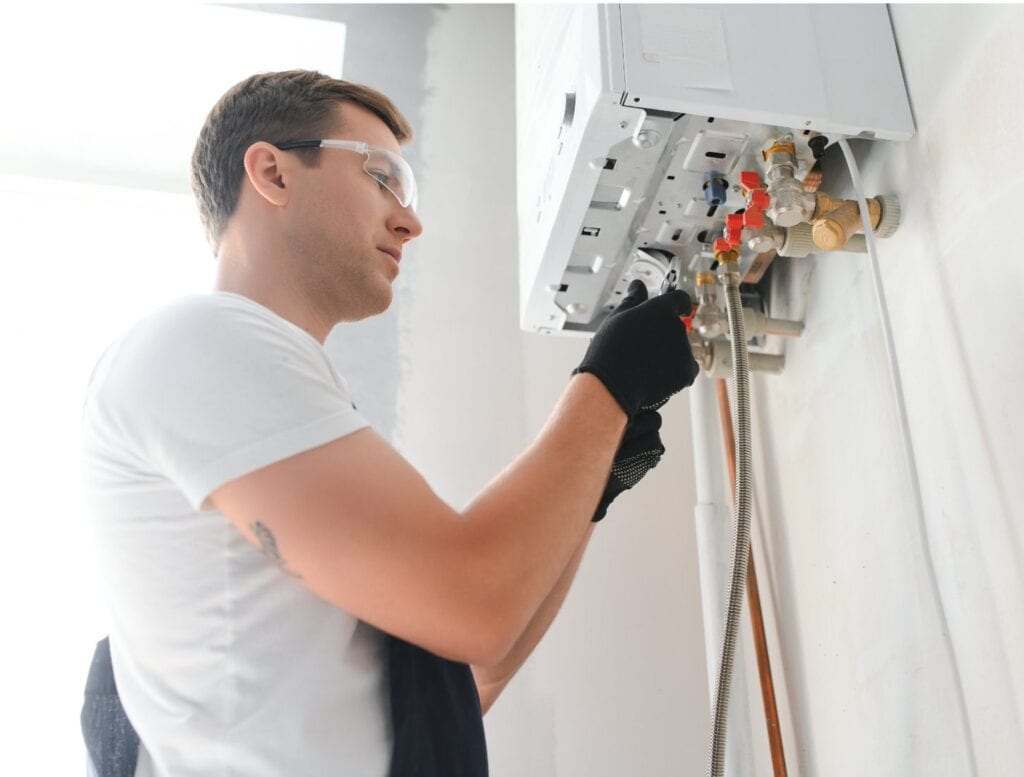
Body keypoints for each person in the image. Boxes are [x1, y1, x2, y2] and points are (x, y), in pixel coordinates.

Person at [80, 70, 698, 777]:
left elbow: (469, 671)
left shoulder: (269, 394)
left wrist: (594, 478)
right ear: (273, 173)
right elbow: (474, 607)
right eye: (382, 178)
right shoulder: (200, 343)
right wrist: (609, 384)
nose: (410, 221)